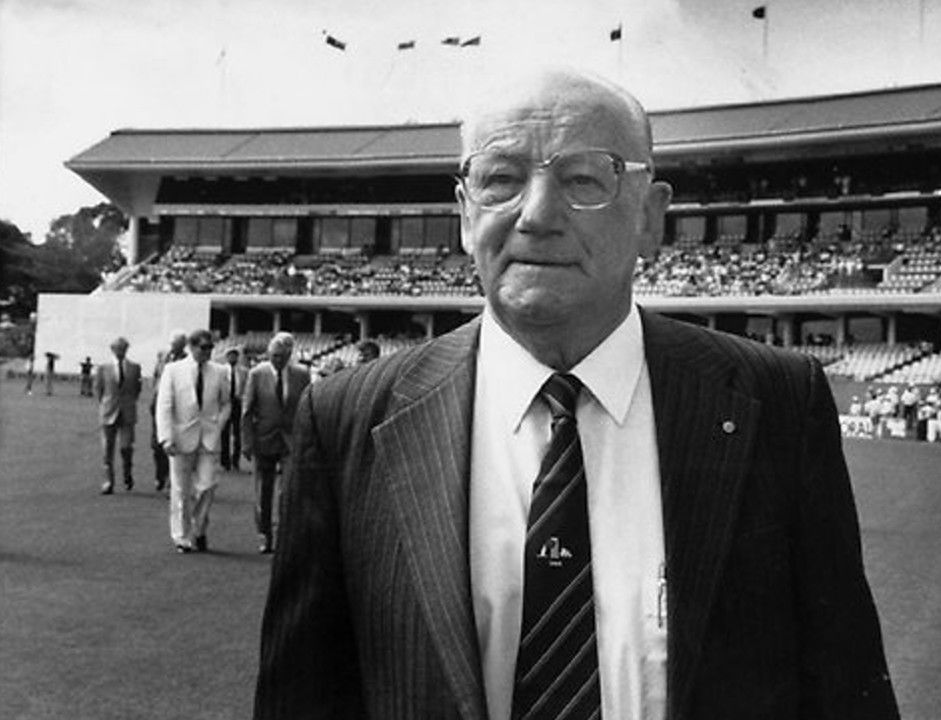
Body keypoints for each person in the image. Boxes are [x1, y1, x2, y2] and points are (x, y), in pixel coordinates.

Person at [255, 68, 898, 720]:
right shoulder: (345, 421)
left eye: (584, 179)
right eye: (502, 178)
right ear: (464, 213)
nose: (537, 214)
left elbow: (848, 693)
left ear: (650, 216)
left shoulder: (776, 404)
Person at [155, 329, 231, 554]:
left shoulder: (219, 371)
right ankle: (182, 537)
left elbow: (227, 402)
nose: (208, 351)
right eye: (204, 347)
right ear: (192, 347)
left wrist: (219, 425)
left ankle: (199, 529)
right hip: (180, 437)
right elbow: (164, 406)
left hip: (209, 437)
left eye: (211, 347)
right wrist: (166, 437)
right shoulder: (173, 370)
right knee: (180, 490)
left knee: (207, 485)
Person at [240, 333, 310, 554]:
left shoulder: (301, 375)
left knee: (288, 489)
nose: (276, 360)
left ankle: (284, 534)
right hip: (264, 438)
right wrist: (246, 442)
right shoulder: (257, 374)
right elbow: (247, 410)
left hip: (291, 439)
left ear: (289, 355)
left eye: (280, 356)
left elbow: (306, 408)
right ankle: (265, 534)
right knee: (264, 489)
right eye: (273, 356)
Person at [93, 337, 143, 494]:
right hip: (108, 411)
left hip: (127, 411)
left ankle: (127, 474)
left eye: (123, 348)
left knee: (126, 447)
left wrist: (129, 402)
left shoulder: (134, 368)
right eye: (118, 348)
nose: (121, 351)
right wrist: (105, 404)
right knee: (107, 449)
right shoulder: (103, 368)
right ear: (112, 349)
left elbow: (137, 389)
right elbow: (99, 389)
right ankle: (108, 481)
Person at [150, 331, 188, 492]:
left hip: (177, 404)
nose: (173, 347)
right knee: (156, 444)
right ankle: (160, 474)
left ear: (183, 346)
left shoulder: (187, 361)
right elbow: (155, 376)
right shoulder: (162, 358)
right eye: (172, 344)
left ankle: (170, 481)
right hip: (158, 403)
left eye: (176, 345)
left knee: (173, 443)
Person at [220, 346, 248, 472]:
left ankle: (235, 460)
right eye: (230, 355)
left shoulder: (243, 371)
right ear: (227, 357)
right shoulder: (221, 371)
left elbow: (246, 388)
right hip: (225, 402)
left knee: (237, 433)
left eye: (235, 355)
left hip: (237, 402)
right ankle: (225, 460)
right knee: (224, 432)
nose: (233, 358)